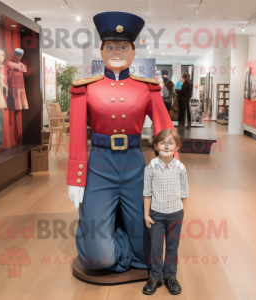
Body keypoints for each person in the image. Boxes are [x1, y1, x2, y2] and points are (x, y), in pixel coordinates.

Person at [67, 11, 179, 272]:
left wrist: (171, 170)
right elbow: (76, 137)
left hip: (135, 167)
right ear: (102, 50)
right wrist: (75, 177)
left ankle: (122, 234)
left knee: (149, 258)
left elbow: (165, 131)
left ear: (133, 50)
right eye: (111, 46)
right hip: (98, 167)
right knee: (99, 260)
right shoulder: (85, 88)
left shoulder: (147, 88)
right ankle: (109, 236)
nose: (117, 51)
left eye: (123, 46)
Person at [142, 128, 189, 295]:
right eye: (162, 143)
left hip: (176, 214)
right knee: (156, 247)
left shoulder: (181, 168)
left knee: (172, 246)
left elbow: (184, 193)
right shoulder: (151, 167)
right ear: (156, 146)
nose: (166, 146)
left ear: (177, 146)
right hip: (156, 215)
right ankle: (155, 276)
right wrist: (147, 215)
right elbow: (147, 193)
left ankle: (170, 276)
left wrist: (181, 212)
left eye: (170, 143)